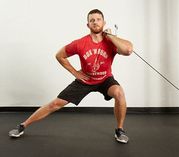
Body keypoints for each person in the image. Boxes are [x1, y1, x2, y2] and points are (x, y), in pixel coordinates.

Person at [9, 9, 133, 144]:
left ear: (104, 22)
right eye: (92, 20)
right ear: (88, 25)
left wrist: (111, 36)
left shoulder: (112, 42)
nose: (95, 22)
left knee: (119, 92)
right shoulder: (80, 43)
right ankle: (22, 125)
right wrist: (75, 72)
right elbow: (59, 55)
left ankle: (119, 130)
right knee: (55, 104)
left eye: (98, 19)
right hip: (85, 80)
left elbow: (128, 50)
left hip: (105, 79)